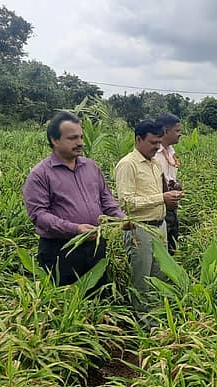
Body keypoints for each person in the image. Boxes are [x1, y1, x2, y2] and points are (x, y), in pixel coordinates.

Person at [22, 111, 125, 287]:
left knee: (98, 298)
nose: (80, 143)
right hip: (61, 250)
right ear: (54, 140)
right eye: (72, 138)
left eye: (81, 137)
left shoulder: (91, 167)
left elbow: (106, 199)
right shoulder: (40, 174)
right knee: (66, 305)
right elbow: (39, 215)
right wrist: (75, 229)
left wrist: (121, 219)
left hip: (95, 247)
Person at [114, 118, 184, 314]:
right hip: (139, 231)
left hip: (159, 227)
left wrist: (171, 193)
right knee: (142, 281)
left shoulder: (155, 164)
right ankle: (143, 325)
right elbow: (126, 202)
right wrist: (161, 197)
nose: (157, 147)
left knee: (159, 278)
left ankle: (157, 321)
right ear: (138, 139)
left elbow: (157, 194)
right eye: (153, 143)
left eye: (159, 143)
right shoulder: (128, 165)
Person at [153, 112, 183, 255]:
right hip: (158, 207)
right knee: (160, 251)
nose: (180, 134)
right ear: (165, 131)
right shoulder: (153, 154)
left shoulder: (170, 151)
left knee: (172, 247)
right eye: (177, 131)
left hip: (171, 207)